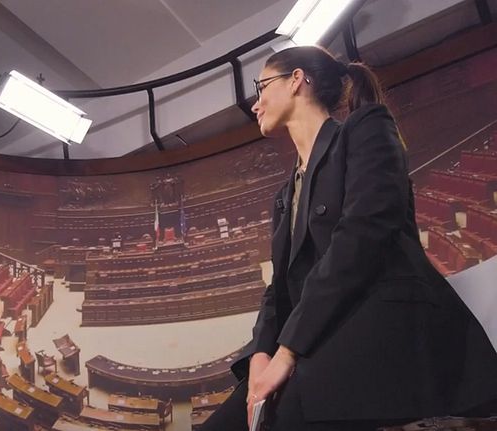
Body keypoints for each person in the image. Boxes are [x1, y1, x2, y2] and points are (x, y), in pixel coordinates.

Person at [202, 46, 497, 430]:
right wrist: (260, 354)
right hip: (317, 339)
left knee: (287, 417)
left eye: (262, 87)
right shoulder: (284, 195)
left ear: (296, 81)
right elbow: (279, 290)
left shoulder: (367, 128)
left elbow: (361, 237)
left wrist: (287, 352)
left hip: (378, 334)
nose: (255, 105)